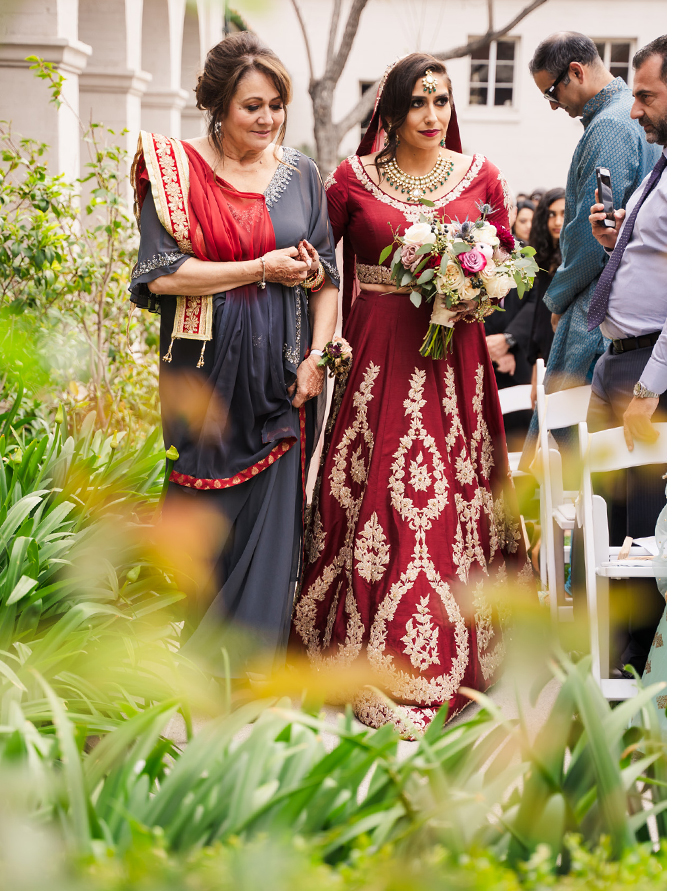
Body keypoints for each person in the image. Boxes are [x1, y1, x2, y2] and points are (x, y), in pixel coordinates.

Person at [297, 53, 526, 738]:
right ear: (391, 112)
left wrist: (475, 283)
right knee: (384, 486)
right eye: (420, 103)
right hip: (379, 352)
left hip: (454, 355)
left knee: (449, 494)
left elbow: (508, 256)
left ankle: (457, 651)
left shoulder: (478, 173)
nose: (434, 116)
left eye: (443, 102)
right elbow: (320, 268)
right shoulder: (352, 179)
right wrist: (319, 346)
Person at [130, 32, 337, 679]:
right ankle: (194, 700)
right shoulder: (175, 172)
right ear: (219, 106)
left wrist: (319, 357)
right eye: (253, 106)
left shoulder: (300, 174)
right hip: (205, 391)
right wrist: (258, 267)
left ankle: (252, 713)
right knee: (202, 554)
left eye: (277, 104)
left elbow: (327, 276)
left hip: (283, 389)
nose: (268, 118)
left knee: (270, 560)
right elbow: (161, 275)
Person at [583, 37, 668, 674]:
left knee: (640, 531)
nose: (634, 110)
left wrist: (650, 390)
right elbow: (646, 265)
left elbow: (675, 304)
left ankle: (630, 664)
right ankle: (605, 652)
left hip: (645, 373)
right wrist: (615, 240)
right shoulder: (660, 168)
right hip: (616, 362)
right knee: (604, 518)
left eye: (645, 94)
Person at [530, 32, 663, 394]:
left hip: (597, 301)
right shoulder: (627, 115)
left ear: (576, 71)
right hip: (626, 303)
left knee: (570, 434)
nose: (553, 106)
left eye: (551, 93)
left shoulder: (610, 125)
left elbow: (593, 236)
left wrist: (558, 299)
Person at [490, 185, 564, 449]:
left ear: (513, 212)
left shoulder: (527, 253)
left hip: (521, 353)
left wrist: (509, 341)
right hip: (483, 352)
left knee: (522, 428)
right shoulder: (467, 252)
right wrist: (489, 346)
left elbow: (537, 302)